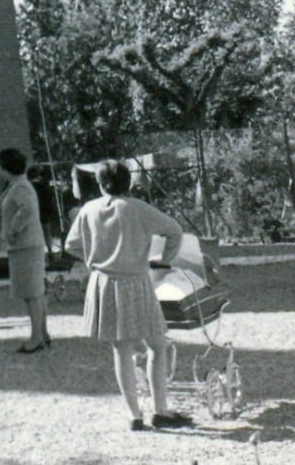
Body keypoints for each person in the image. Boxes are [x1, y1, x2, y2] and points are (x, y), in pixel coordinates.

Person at [66, 159, 193, 432]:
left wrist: (94, 257)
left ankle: (133, 414)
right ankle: (160, 410)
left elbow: (71, 245)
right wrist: (161, 261)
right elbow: (174, 231)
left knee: (121, 350)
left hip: (104, 283)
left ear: (100, 184)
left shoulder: (88, 209)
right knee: (157, 345)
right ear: (129, 183)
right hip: (136, 282)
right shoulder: (137, 208)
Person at [0, 147, 49, 353]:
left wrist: (11, 230)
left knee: (31, 293)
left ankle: (37, 336)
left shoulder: (20, 187)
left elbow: (26, 210)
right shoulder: (18, 185)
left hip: (25, 244)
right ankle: (42, 333)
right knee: (35, 291)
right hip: (28, 245)